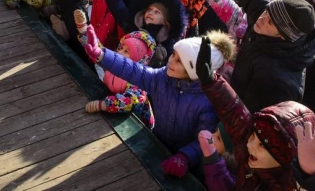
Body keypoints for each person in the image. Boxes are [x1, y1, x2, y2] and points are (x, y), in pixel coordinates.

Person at [80, 24, 220, 177]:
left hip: (186, 163)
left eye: (179, 61)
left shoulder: (207, 101)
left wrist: (185, 157)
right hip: (155, 143)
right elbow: (134, 71)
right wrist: (101, 55)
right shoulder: (163, 77)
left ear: (193, 72)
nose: (171, 61)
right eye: (173, 55)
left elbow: (208, 138)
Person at [196, 49, 315, 189]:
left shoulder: (289, 184)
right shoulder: (252, 151)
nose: (250, 145)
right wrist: (211, 82)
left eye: (262, 146)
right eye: (253, 136)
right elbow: (233, 111)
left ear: (284, 154)